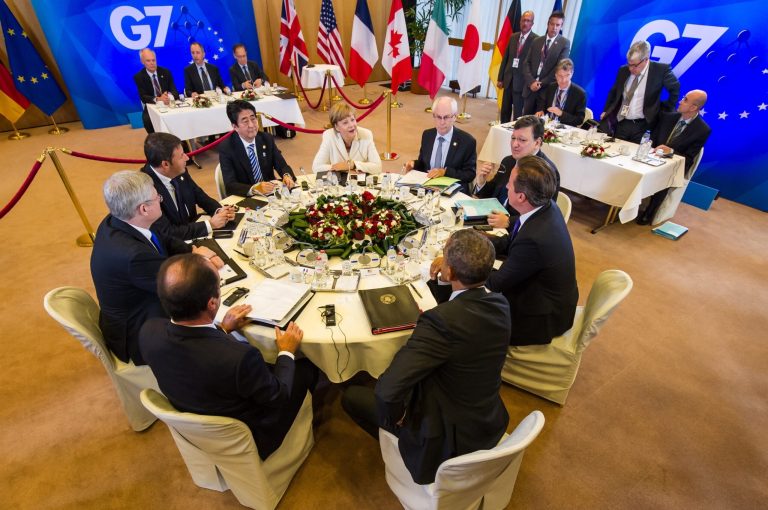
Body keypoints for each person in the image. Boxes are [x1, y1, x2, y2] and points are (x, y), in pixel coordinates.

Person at [341, 229, 510, 484]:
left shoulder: (440, 322)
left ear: (450, 272)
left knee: (351, 396)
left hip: (445, 441)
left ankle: (396, 444)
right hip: (486, 420)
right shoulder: (500, 304)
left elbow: (386, 391)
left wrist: (398, 418)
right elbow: (460, 315)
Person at [140, 253, 318, 459]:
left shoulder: (149, 331)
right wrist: (286, 351)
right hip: (251, 433)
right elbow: (278, 396)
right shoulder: (240, 358)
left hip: (195, 409)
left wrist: (223, 329)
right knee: (307, 367)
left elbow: (197, 353)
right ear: (212, 304)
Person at [90, 171, 221, 365]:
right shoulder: (133, 256)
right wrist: (205, 266)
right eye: (157, 197)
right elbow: (179, 288)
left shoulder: (121, 219)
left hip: (137, 303)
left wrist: (192, 250)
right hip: (139, 331)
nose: (161, 199)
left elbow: (162, 238)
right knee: (209, 313)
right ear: (143, 208)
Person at [465, 155, 578, 346]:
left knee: (467, 311)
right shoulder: (545, 207)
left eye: (509, 183)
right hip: (546, 295)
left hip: (540, 317)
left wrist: (462, 263)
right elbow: (511, 239)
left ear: (521, 197)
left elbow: (496, 283)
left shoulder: (535, 239)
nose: (506, 187)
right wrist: (474, 242)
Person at [140, 132, 235, 240]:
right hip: (175, 246)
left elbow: (198, 194)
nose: (187, 158)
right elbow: (167, 232)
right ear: (165, 164)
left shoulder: (178, 170)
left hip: (192, 231)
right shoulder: (146, 190)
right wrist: (210, 225)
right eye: (181, 156)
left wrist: (219, 211)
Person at [637, 89, 711, 225]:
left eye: (685, 100)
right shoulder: (667, 117)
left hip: (674, 165)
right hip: (651, 156)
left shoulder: (702, 130)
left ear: (694, 107)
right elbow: (652, 139)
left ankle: (649, 212)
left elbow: (689, 158)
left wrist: (670, 151)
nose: (680, 101)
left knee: (666, 175)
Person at [474, 115, 560, 229]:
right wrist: (481, 183)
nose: (515, 144)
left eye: (522, 140)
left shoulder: (546, 173)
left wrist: (509, 221)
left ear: (537, 143)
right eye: (513, 138)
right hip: (491, 218)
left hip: (517, 230)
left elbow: (541, 216)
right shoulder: (508, 161)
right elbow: (494, 192)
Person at [599, 40, 680, 143]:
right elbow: (614, 92)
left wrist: (664, 109)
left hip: (643, 125)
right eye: (629, 64)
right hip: (621, 122)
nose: (631, 69)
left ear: (646, 60)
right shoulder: (623, 70)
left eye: (635, 65)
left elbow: (675, 89)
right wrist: (607, 110)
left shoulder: (660, 70)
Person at [219, 99, 296, 197]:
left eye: (253, 118)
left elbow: (281, 165)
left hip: (271, 193)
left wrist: (286, 175)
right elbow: (230, 185)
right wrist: (255, 189)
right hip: (247, 198)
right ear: (235, 126)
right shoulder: (227, 148)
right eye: (245, 121)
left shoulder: (266, 139)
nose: (251, 125)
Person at [404, 97, 477, 190]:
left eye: (446, 117)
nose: (442, 122)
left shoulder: (467, 141)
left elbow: (470, 174)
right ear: (433, 115)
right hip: (427, 189)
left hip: (452, 191)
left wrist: (445, 172)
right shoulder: (427, 135)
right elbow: (424, 165)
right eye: (438, 117)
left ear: (454, 116)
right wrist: (414, 164)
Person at [311, 102, 381, 176]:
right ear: (336, 127)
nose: (351, 125)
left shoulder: (366, 134)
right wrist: (341, 168)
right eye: (345, 123)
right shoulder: (329, 136)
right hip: (338, 184)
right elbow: (316, 167)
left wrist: (353, 165)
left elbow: (378, 167)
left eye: (352, 120)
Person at [522, 11, 571, 116]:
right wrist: (531, 82)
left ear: (561, 26)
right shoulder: (537, 41)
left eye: (558, 25)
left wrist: (540, 83)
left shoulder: (564, 43)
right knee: (525, 121)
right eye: (552, 24)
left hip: (546, 91)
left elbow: (559, 68)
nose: (554, 27)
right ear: (548, 24)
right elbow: (526, 63)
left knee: (538, 125)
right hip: (530, 89)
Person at [497, 10, 537, 123]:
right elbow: (506, 58)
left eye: (528, 21)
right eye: (523, 20)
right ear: (520, 22)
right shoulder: (513, 37)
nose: (525, 23)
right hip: (508, 80)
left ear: (532, 24)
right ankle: (503, 129)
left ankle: (516, 134)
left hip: (522, 83)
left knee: (518, 113)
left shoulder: (536, 40)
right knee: (505, 110)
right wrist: (500, 78)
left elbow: (534, 64)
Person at [133, 48, 179, 133]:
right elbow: (143, 97)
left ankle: (181, 141)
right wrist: (158, 99)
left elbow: (175, 91)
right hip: (152, 105)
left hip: (169, 103)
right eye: (148, 61)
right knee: (147, 119)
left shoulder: (166, 72)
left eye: (153, 60)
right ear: (142, 62)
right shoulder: (139, 77)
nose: (152, 63)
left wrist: (168, 97)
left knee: (180, 116)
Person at [535, 58, 586, 127]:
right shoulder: (550, 87)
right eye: (560, 76)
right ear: (555, 75)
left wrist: (561, 113)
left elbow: (579, 120)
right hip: (547, 126)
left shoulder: (580, 94)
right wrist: (541, 111)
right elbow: (542, 104)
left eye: (567, 75)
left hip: (566, 130)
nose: (564, 80)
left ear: (572, 73)